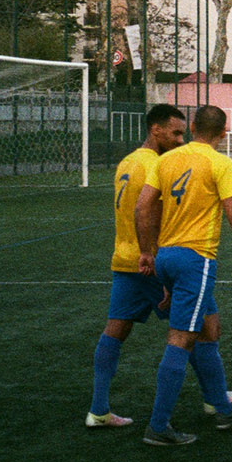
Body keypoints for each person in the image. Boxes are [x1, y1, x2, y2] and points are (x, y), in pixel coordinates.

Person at [134, 104, 232, 445]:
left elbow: (142, 205)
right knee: (181, 339)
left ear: (192, 127)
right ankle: (158, 427)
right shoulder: (220, 163)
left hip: (166, 257)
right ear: (223, 132)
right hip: (196, 260)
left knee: (209, 328)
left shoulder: (165, 160)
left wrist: (147, 251)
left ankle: (222, 407)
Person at [86, 103, 198, 429]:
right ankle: (217, 400)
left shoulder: (127, 161)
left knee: (116, 330)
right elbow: (148, 213)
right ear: (156, 129)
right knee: (200, 326)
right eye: (175, 133)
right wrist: (158, 263)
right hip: (147, 261)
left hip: (123, 258)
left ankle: (98, 409)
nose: (180, 139)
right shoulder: (156, 165)